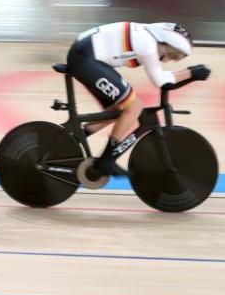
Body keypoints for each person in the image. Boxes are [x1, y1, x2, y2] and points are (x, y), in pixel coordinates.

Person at [67, 22, 210, 179]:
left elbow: (164, 79)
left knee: (120, 111)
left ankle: (70, 141)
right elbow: (160, 81)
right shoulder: (148, 46)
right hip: (85, 59)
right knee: (134, 106)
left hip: (86, 55)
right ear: (164, 42)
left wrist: (191, 74)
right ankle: (106, 160)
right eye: (170, 54)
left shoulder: (147, 35)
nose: (167, 60)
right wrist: (191, 73)